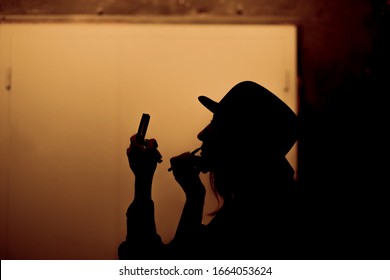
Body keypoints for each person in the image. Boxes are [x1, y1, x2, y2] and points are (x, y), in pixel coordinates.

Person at [118, 80, 305, 260]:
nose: (201, 134)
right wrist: (194, 195)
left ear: (241, 141)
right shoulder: (272, 202)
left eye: (216, 124)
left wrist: (143, 181)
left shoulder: (249, 223)